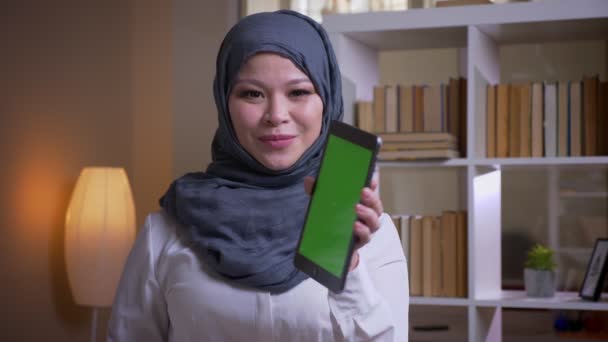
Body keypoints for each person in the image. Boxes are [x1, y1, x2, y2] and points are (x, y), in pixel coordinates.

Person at [108, 9, 409, 341]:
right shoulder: (165, 232)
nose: (276, 115)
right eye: (252, 93)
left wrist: (347, 265)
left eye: (298, 92)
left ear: (327, 99)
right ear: (225, 102)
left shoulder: (372, 236)